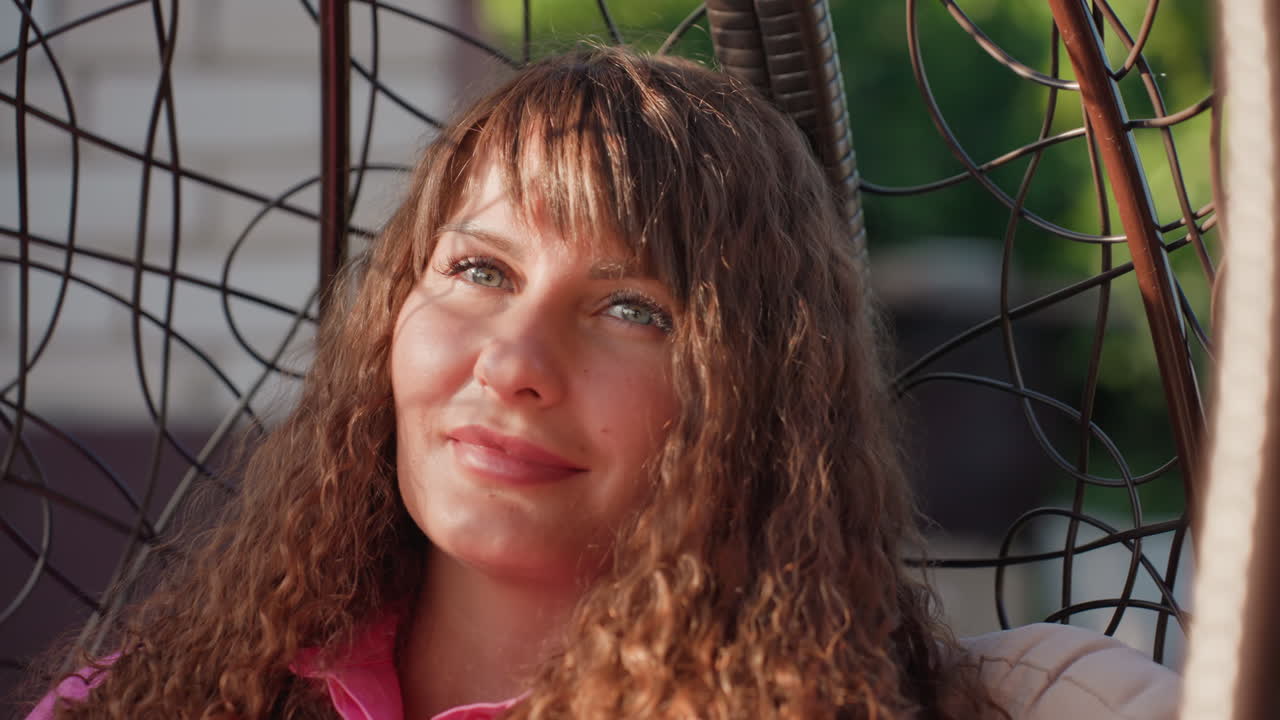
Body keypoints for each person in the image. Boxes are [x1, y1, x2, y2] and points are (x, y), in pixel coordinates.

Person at [27, 45, 997, 719]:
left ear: (753, 404)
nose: (512, 364)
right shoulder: (145, 702)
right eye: (479, 272)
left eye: (631, 311)